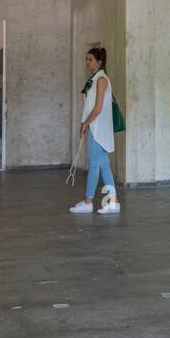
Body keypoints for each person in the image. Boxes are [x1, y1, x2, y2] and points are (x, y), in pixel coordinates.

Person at [69, 47, 120, 215]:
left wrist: (85, 123)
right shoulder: (95, 78)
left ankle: (88, 202)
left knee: (94, 165)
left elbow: (97, 108)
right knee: (104, 165)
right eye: (86, 59)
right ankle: (113, 203)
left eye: (90, 59)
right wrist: (86, 122)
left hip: (97, 127)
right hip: (96, 126)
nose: (87, 62)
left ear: (99, 61)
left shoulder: (101, 80)